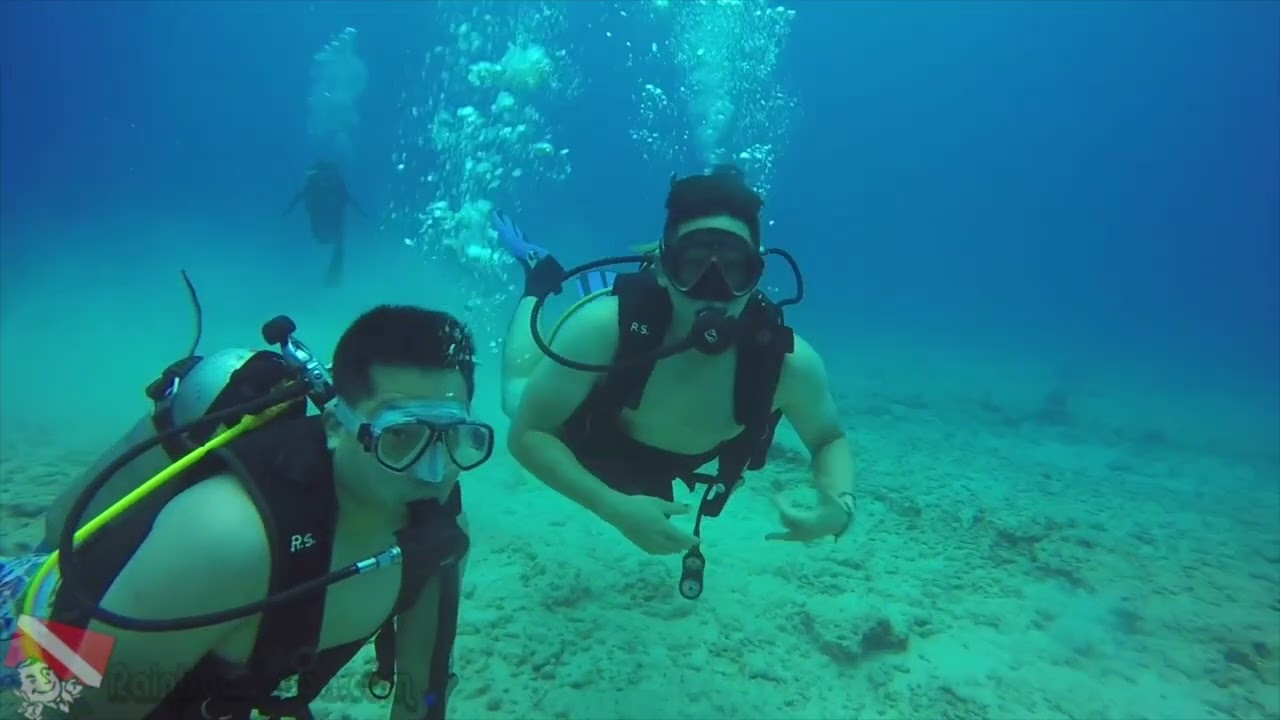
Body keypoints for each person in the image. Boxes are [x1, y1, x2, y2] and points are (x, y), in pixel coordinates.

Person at [6, 304, 492, 719]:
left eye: (453, 437)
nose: (433, 472)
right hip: (31, 649)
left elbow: (421, 685)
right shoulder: (226, 538)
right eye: (399, 435)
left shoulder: (440, 532)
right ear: (334, 427)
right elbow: (74, 706)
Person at [495, 165, 857, 600]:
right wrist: (614, 508)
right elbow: (528, 434)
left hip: (691, 452)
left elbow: (828, 438)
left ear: (756, 274)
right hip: (604, 432)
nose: (712, 288)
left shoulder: (791, 364)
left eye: (733, 267)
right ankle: (538, 281)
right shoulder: (604, 328)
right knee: (517, 398)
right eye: (693, 263)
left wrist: (838, 505)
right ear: (664, 267)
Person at [284, 160, 368, 286]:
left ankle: (332, 279)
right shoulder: (316, 186)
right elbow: (351, 201)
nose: (325, 181)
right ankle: (330, 278)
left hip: (330, 219)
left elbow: (297, 198)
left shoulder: (332, 186)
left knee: (336, 244)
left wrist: (286, 213)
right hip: (323, 219)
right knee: (334, 242)